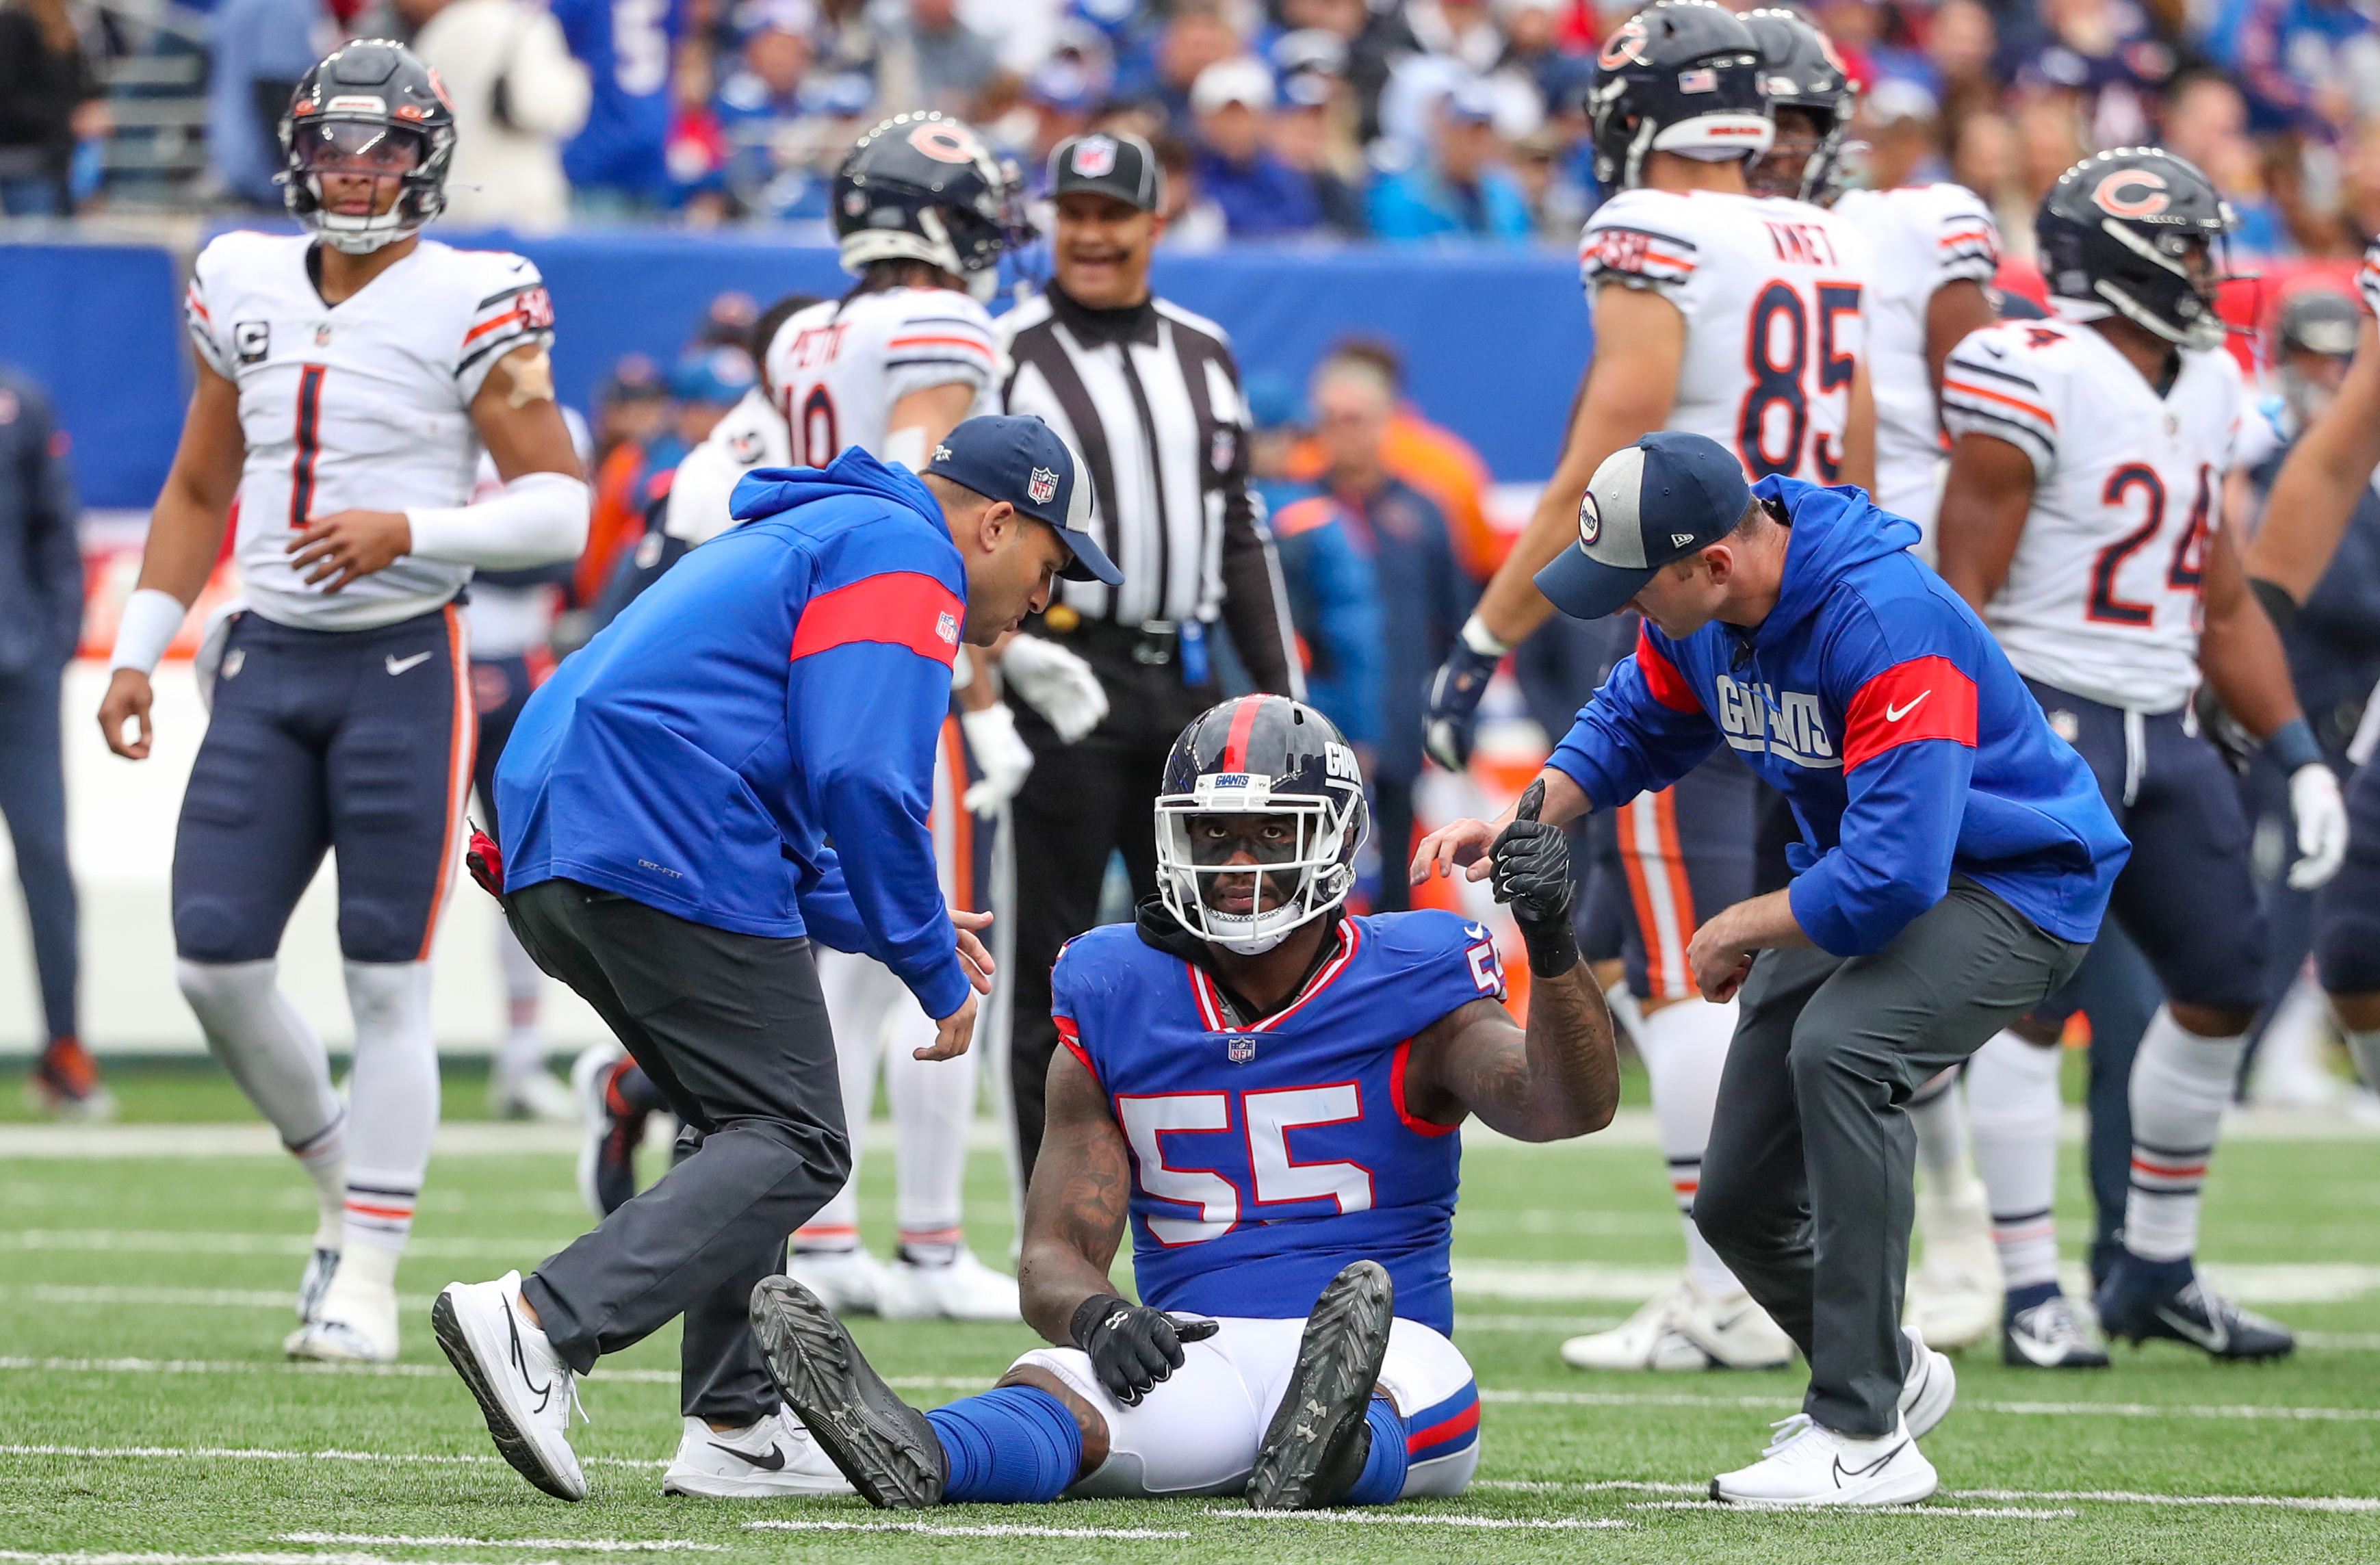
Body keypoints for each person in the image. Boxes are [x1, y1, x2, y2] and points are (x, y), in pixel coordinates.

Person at [1419, 430, 2127, 1504]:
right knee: (1735, 1191)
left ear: (1713, 564)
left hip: (2018, 884)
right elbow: (1632, 715)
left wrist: (1737, 923)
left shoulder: (1887, 617)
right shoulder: (1703, 611)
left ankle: (1861, 1428)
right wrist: (1524, 815)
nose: (1627, 607)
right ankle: (1888, 1364)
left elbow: (1898, 872)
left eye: (1636, 585)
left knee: (1845, 1050)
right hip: (1877, 874)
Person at [431, 415, 1120, 1507]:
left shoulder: (830, 530)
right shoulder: (906, 553)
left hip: (559, 829)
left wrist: (913, 928)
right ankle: (539, 1320)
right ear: (995, 520)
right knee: (800, 1133)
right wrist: (931, 969)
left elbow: (780, 809)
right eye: (1048, 564)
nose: (1045, 600)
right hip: (650, 823)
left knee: (742, 1113)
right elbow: (861, 776)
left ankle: (735, 1423)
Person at [745, 695, 1621, 1512]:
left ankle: (1335, 1452)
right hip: (1195, 1350)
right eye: (1213, 834)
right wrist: (1104, 1317)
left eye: (1269, 832)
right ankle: (926, 1449)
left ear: (1339, 838)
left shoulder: (1414, 974)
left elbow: (1561, 1106)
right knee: (1059, 1388)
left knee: (1415, 1385)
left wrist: (1549, 944)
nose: (1239, 865)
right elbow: (1052, 1254)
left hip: (1388, 1351)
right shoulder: (1117, 985)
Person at [95, 40, 589, 1364]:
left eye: (378, 152)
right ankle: (333, 1170)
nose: (354, 175)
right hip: (264, 655)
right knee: (212, 962)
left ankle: (365, 1270)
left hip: (401, 667)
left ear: (423, 162)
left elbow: (559, 502)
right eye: (332, 149)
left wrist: (412, 526)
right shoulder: (240, 274)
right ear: (295, 155)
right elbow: (199, 486)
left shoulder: (476, 293)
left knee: (386, 983)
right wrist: (143, 642)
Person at [1430, 0, 1873, 1378]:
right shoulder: (1811, 229)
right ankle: (1753, 1272)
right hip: (1805, 611)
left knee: (1692, 969)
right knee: (1738, 959)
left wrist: (1489, 625)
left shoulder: (1659, 229)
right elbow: (1851, 448)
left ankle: (1725, 1286)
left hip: (1698, 624)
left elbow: (1607, 441)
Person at [1935, 148, 2344, 1366]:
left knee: (2224, 975)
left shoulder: (2209, 379)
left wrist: (2291, 750)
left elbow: (2216, 593)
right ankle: (2026, 1290)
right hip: (2041, 710)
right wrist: (1971, 747)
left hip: (2162, 723)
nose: (2213, 273)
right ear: (2119, 261)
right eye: (2189, 248)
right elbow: (1959, 594)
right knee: (2022, 1003)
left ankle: (2153, 1265)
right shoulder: (2031, 374)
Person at [1740, 6, 2008, 1356]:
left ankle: (1970, 1224)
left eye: (1791, 122)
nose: (1770, 147)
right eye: (1750, 122)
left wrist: (1944, 609)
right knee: (1802, 949)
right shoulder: (1698, 239)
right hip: (1753, 629)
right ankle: (1748, 1249)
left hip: (1879, 627)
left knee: (1910, 928)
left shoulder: (1907, 225)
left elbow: (1990, 426)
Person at [996, 129, 1303, 1187]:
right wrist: (1007, 660)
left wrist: (1280, 694)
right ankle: (1042, 1210)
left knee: (1216, 939)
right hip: (1063, 677)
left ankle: (1210, 1178)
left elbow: (1237, 526)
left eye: (1110, 215)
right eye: (1070, 215)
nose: (1088, 235)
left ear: (1150, 224)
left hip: (1186, 684)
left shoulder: (1203, 350)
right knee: (1050, 956)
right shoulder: (1008, 350)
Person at [2247, 242, 2380, 1119]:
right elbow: (2329, 467)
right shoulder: (2261, 443)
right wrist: (2242, 635)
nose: (2324, 371)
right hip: (2315, 703)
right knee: (2350, 932)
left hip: (2348, 698)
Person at [1301, 352, 1473, 905]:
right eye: (1330, 420)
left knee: (1398, 876)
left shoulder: (1424, 511)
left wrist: (1451, 712)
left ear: (1384, 422)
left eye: (1355, 419)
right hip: (1311, 732)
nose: (1342, 434)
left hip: (1401, 727)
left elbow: (1458, 621)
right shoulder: (1296, 511)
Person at [467, 404, 594, 1122]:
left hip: (526, 663)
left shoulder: (557, 426)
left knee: (527, 868)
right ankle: (388, 1052)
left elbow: (557, 554)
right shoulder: (417, 411)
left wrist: (438, 542)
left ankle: (521, 1058)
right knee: (408, 873)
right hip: (435, 661)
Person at [1, 359, 98, 1117]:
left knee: (44, 858)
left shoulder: (18, 402)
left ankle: (64, 1047)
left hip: (16, 673)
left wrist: (52, 643)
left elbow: (56, 529)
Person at [411, 0, 592, 233]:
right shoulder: (526, 26)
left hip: (448, 201)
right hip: (515, 206)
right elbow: (543, 108)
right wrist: (576, 80)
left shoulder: (441, 29)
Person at [1364, 79, 1532, 245]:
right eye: (1467, 132)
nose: (1478, 143)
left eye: (1485, 131)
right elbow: (1404, 263)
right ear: (1441, 131)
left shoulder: (1506, 194)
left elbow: (1521, 255)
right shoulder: (1401, 197)